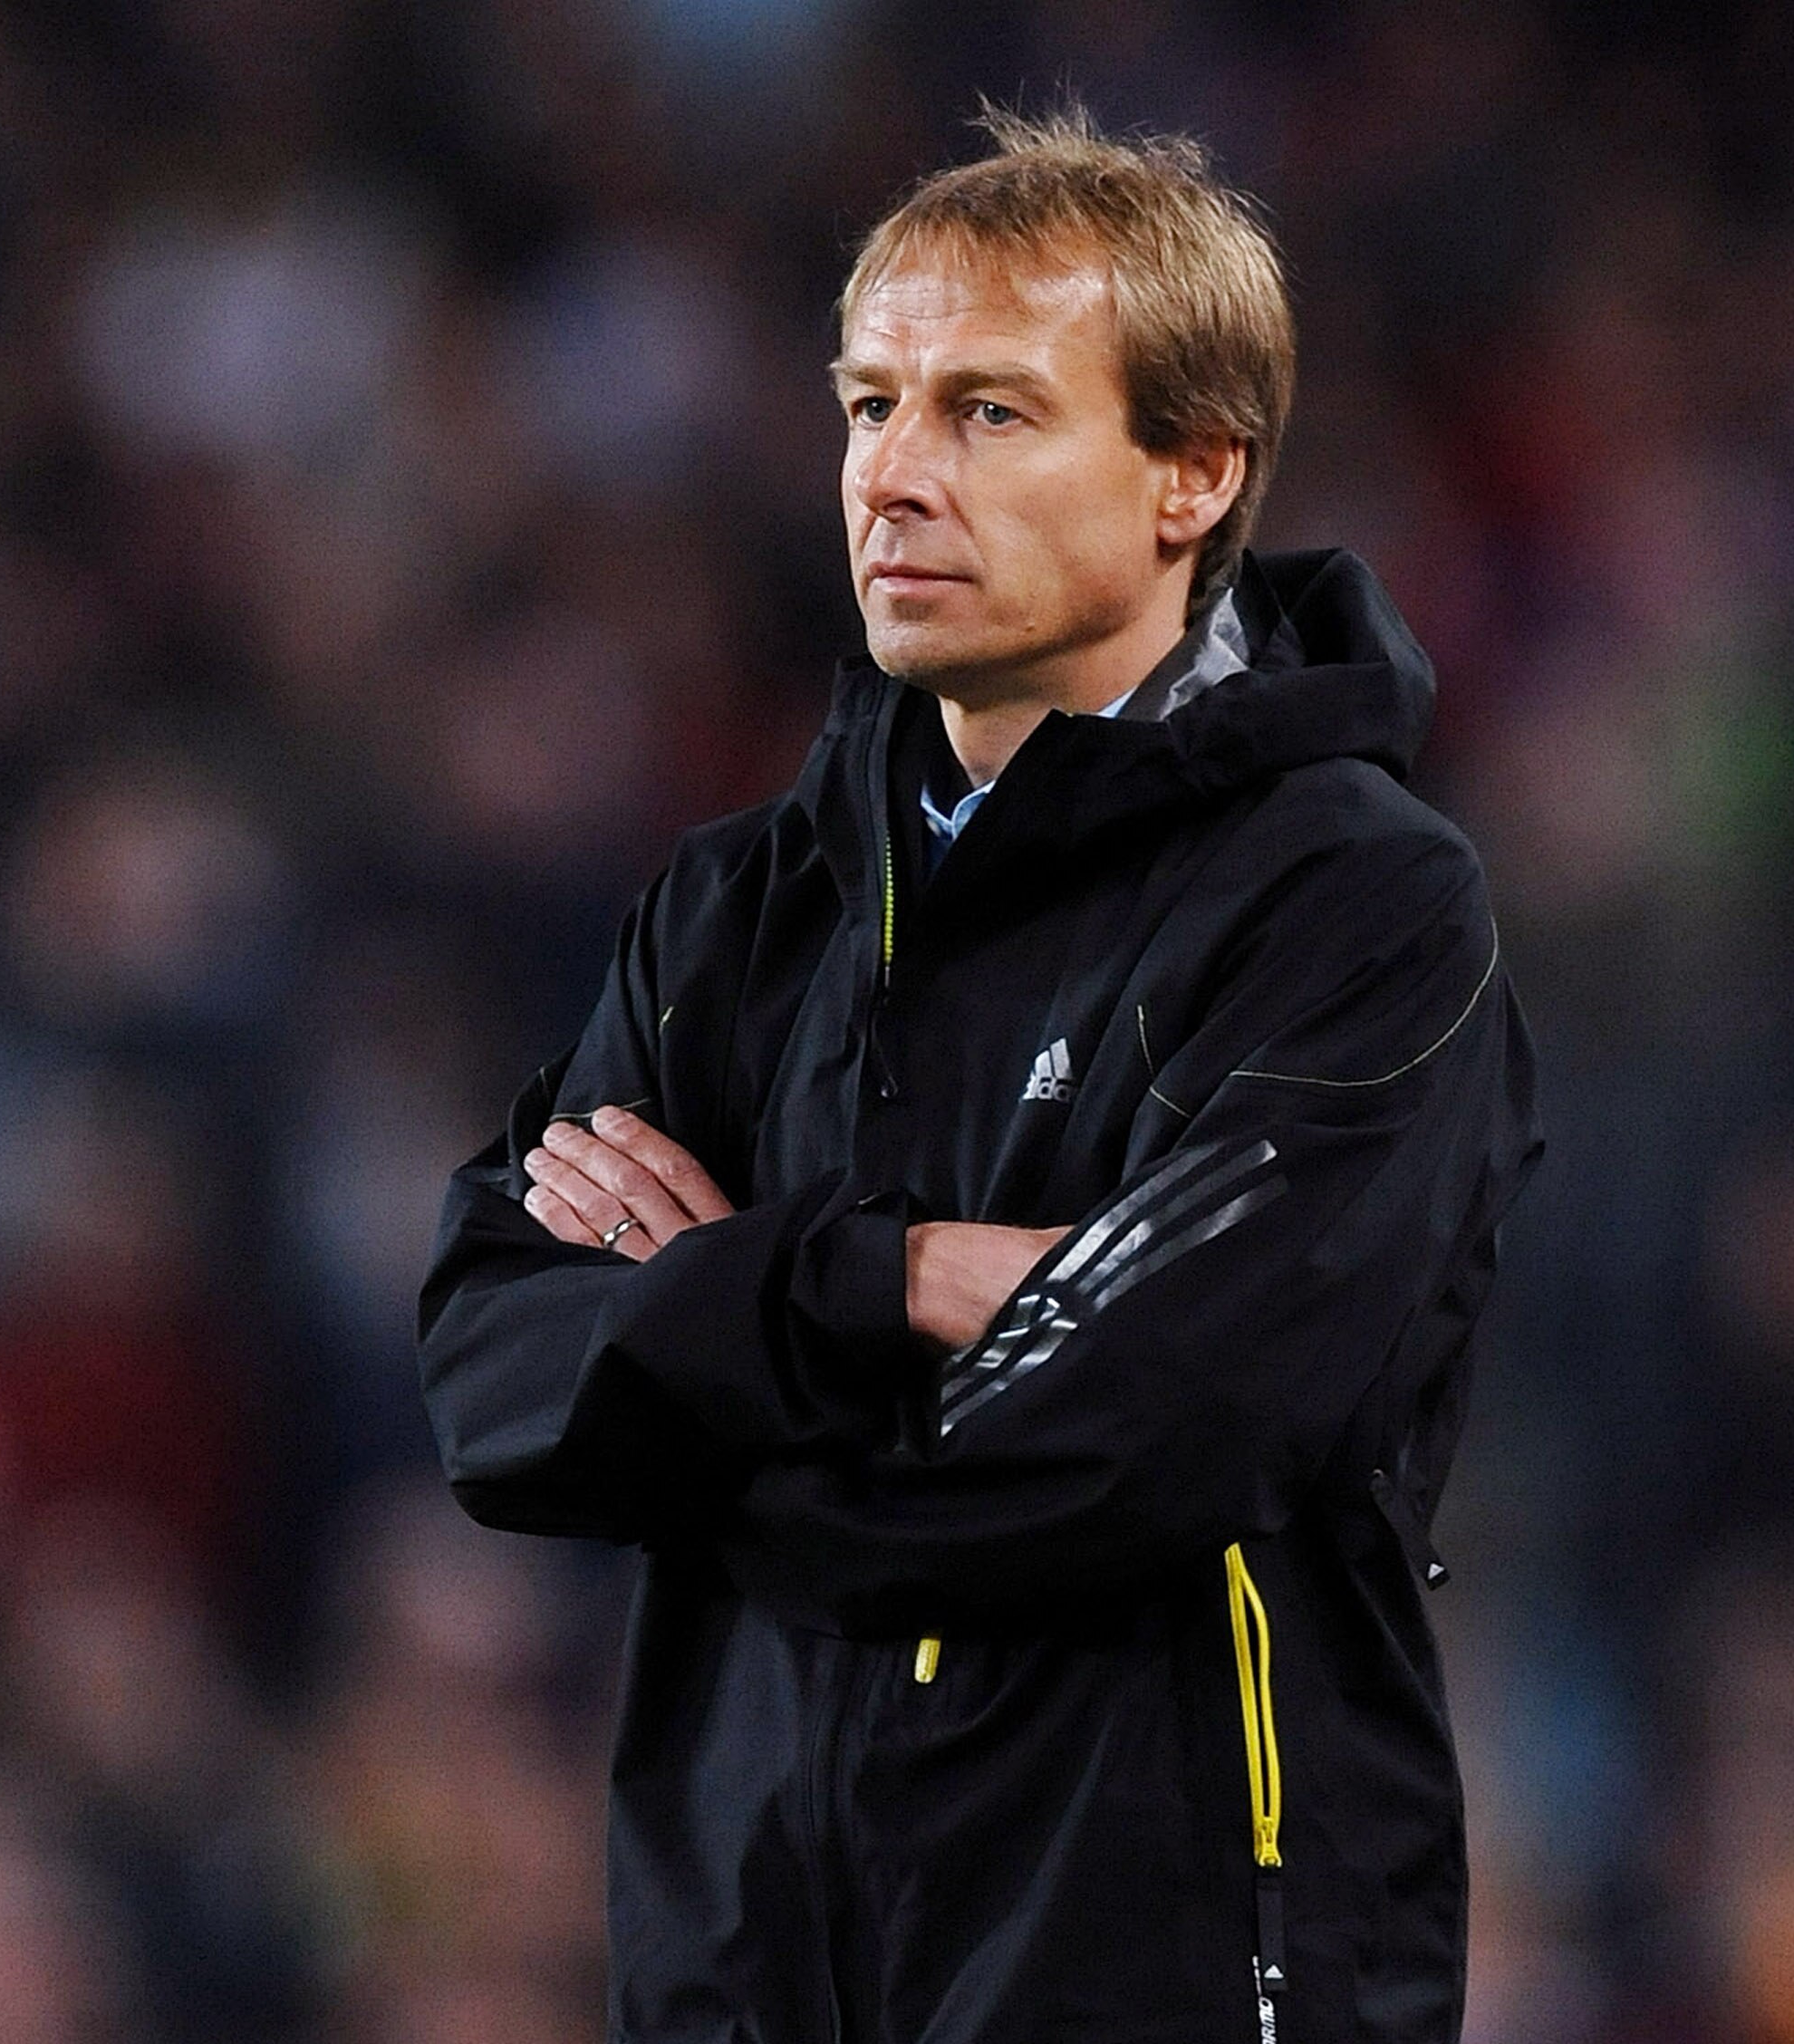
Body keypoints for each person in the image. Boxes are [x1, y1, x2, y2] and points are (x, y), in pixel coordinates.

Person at [418, 103, 1543, 2044]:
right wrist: (897, 1280)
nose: (894, 479)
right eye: (872, 406)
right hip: (750, 1986)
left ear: (1195, 474)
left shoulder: (1361, 910)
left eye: (992, 415)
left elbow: (1148, 1427)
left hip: (1179, 1983)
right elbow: (490, 1383)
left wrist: (714, 1357)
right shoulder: (736, 908)